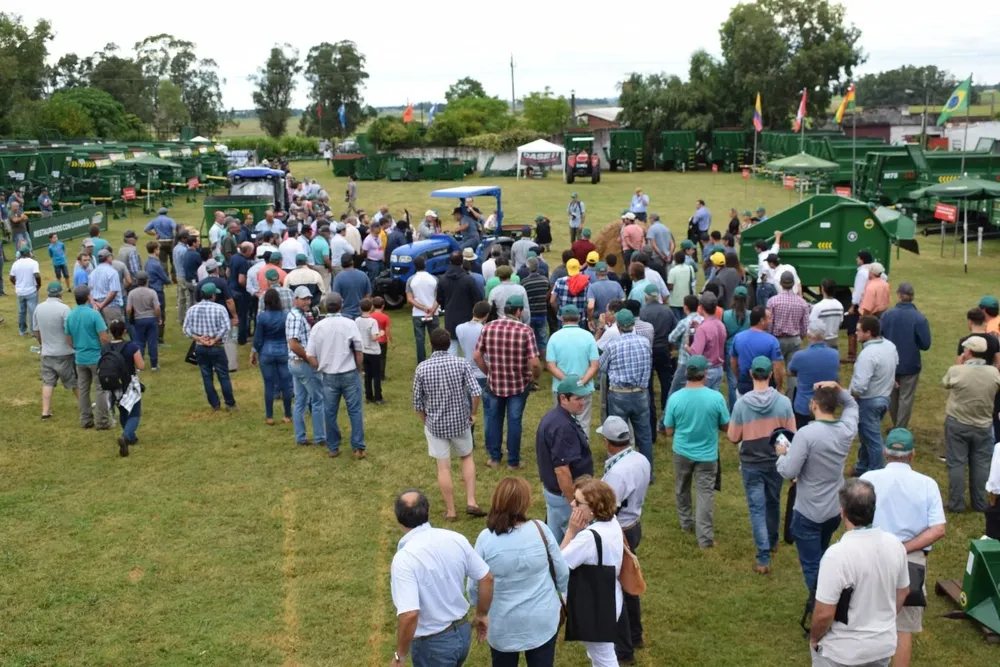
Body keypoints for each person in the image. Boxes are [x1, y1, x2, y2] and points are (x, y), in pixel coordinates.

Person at [860, 428, 946, 667]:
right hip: (911, 563)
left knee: (864, 620)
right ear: (913, 454)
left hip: (870, 557)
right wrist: (904, 547)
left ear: (886, 452)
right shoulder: (928, 484)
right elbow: (938, 529)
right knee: (903, 628)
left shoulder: (868, 479)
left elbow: (853, 518)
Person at [809, 479, 909, 667]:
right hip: (882, 647)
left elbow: (824, 614)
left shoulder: (836, 555)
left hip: (842, 652)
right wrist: (882, 622)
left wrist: (814, 638)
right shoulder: (895, 545)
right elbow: (903, 593)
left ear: (842, 512)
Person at [776, 382, 859, 608]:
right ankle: (827, 597)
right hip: (834, 509)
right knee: (822, 557)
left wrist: (783, 455)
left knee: (812, 565)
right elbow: (852, 405)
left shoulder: (807, 434)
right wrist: (838, 387)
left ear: (814, 404)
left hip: (808, 511)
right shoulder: (846, 429)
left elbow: (789, 471)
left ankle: (824, 608)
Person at [470, 477, 568, 667]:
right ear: (526, 502)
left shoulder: (485, 539)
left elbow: (475, 585)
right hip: (542, 620)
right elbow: (562, 572)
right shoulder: (541, 529)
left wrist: (481, 611)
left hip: (502, 624)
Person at [389, 490, 494, 667]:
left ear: (399, 518)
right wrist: (482, 614)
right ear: (426, 510)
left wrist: (400, 656)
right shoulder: (455, 539)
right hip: (462, 633)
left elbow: (409, 614)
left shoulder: (404, 558)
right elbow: (487, 577)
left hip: (433, 645)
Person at [727, 357, 796, 573]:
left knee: (757, 508)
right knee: (773, 502)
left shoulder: (741, 404)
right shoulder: (783, 402)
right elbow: (790, 435)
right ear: (770, 375)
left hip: (751, 463)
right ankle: (773, 540)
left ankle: (763, 557)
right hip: (775, 461)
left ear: (750, 374)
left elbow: (733, 436)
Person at [413, 328, 486, 520]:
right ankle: (471, 501)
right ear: (449, 344)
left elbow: (417, 402)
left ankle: (451, 511)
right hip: (460, 421)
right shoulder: (461, 363)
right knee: (467, 457)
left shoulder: (422, 368)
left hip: (435, 424)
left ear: (431, 345)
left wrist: (425, 420)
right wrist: (473, 413)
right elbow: (476, 391)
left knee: (443, 466)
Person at [599, 416, 651, 663]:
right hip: (634, 525)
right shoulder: (640, 458)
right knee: (629, 584)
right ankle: (636, 635)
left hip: (619, 532)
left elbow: (608, 509)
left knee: (616, 593)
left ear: (609, 442)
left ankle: (624, 651)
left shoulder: (617, 473)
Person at [664, 354, 730, 549]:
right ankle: (705, 539)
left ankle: (686, 523)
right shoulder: (716, 398)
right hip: (708, 455)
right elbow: (726, 426)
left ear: (686, 374)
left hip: (682, 452)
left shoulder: (675, 398)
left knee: (681, 488)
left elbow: (668, 430)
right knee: (705, 495)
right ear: (705, 374)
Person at [560, 478, 625, 667]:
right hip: (611, 596)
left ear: (593, 508)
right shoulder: (612, 522)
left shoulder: (588, 538)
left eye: (578, 502)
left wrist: (571, 532)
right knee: (601, 655)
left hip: (593, 605)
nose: (572, 504)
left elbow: (558, 565)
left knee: (604, 658)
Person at [475, 296, 541, 469]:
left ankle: (495, 458)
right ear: (519, 311)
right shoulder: (525, 330)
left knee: (494, 419)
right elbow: (534, 362)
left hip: (495, 383)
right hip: (518, 384)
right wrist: (534, 376)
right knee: (514, 422)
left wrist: (488, 372)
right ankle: (513, 461)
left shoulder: (488, 327)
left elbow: (477, 356)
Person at [942, 336, 1000, 513]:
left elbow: (945, 383)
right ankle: (979, 503)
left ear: (968, 351)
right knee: (981, 463)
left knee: (957, 463)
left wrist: (959, 365)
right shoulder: (993, 373)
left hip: (957, 422)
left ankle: (956, 503)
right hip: (983, 424)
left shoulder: (957, 371)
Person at [306, 293, 367, 459]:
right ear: (341, 305)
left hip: (329, 375)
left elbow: (310, 354)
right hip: (349, 371)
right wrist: (358, 369)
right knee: (355, 411)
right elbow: (359, 350)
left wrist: (319, 367)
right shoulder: (349, 323)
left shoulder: (318, 327)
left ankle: (333, 447)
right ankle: (358, 448)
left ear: (325, 306)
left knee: (330, 412)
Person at [601, 309, 654, 477]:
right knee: (644, 435)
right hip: (640, 393)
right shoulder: (645, 342)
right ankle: (647, 473)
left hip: (618, 395)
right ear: (633, 324)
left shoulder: (612, 345)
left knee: (617, 435)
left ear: (618, 325)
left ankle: (619, 472)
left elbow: (602, 367)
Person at [850, 316, 898, 476]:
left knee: (872, 439)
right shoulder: (890, 346)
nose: (855, 333)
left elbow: (859, 386)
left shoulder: (867, 355)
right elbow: (894, 366)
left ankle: (876, 472)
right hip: (884, 398)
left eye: (858, 331)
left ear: (868, 333)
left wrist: (850, 398)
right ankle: (862, 466)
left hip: (869, 401)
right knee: (866, 435)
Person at [879, 282, 931, 430]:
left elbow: (879, 336)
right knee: (905, 398)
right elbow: (925, 344)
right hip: (910, 364)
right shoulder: (919, 318)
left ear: (899, 296)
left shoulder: (887, 315)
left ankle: (897, 426)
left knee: (892, 396)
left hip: (889, 363)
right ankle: (900, 428)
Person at [546, 306, 600, 437]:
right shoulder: (588, 337)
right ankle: (583, 452)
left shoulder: (554, 337)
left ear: (562, 318)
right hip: (584, 388)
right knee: (583, 423)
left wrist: (567, 382)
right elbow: (594, 365)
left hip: (561, 389)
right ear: (579, 318)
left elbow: (550, 365)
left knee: (561, 421)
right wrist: (581, 382)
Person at [184, 283, 238, 412]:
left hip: (200, 347)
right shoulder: (220, 308)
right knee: (223, 375)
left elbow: (186, 329)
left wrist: (199, 338)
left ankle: (214, 404)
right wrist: (214, 339)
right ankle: (230, 403)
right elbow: (225, 327)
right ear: (213, 295)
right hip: (217, 347)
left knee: (206, 375)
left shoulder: (192, 309)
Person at [65, 285, 112, 429]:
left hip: (80, 358)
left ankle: (86, 420)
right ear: (88, 298)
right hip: (95, 357)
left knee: (84, 389)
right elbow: (104, 337)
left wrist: (79, 347)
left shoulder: (71, 315)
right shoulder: (94, 314)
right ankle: (102, 421)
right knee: (100, 389)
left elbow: (68, 340)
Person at [286, 286, 326, 447]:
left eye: (308, 298)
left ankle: (301, 437)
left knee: (301, 401)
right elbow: (293, 343)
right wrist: (309, 359)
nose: (307, 301)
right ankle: (320, 437)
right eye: (303, 299)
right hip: (302, 363)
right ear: (295, 299)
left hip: (295, 363)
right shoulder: (296, 316)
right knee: (317, 399)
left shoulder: (299, 314)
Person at [33, 282, 78, 419]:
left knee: (48, 382)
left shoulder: (38, 308)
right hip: (64, 352)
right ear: (60, 293)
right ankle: (85, 405)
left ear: (47, 293)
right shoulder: (64, 309)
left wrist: (42, 344)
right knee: (74, 381)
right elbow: (70, 331)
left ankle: (45, 411)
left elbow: (36, 331)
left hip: (47, 352)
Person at [251, 288, 292, 424]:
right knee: (286, 383)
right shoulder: (286, 315)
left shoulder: (262, 317)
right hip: (283, 351)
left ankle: (269, 416)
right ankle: (287, 415)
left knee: (268, 384)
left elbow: (258, 339)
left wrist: (254, 353)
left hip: (266, 352)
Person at [767, 271, 810, 398]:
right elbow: (805, 326)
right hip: (794, 339)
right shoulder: (802, 302)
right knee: (793, 372)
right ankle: (791, 399)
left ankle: (774, 395)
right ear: (793, 284)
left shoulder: (773, 301)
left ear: (781, 283)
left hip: (776, 339)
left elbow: (769, 323)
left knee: (775, 369)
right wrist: (800, 337)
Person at [105, 319, 144, 456]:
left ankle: (131, 437)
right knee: (135, 412)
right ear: (124, 331)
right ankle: (126, 436)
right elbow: (141, 366)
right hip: (128, 384)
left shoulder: (105, 347)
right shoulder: (131, 347)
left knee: (122, 411)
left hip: (112, 384)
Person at [439, 252, 483, 353]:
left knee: (452, 347)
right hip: (466, 317)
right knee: (469, 349)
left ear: (450, 262)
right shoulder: (468, 279)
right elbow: (477, 298)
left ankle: (451, 368)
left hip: (450, 317)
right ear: (462, 262)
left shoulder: (443, 279)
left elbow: (439, 299)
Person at [846, 250, 882, 362]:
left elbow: (858, 291)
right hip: (876, 305)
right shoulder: (879, 272)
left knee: (853, 328)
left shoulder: (862, 273)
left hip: (863, 304)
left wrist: (853, 306)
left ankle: (852, 355)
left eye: (857, 258)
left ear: (862, 260)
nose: (856, 260)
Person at [689, 292, 727, 392]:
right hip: (718, 369)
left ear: (701, 307)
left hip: (707, 372)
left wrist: (687, 347)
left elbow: (695, 354)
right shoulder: (720, 324)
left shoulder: (703, 329)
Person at [721, 286, 751, 409]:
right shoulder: (751, 315)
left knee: (732, 381)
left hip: (730, 350)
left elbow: (724, 335)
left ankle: (734, 409)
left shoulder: (726, 315)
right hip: (746, 350)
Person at [126, 272, 161, 371]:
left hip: (138, 319)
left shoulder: (132, 293)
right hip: (151, 319)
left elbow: (128, 309)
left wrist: (131, 317)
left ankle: (139, 365)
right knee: (152, 342)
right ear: (147, 280)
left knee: (139, 342)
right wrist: (158, 318)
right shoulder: (152, 292)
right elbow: (157, 308)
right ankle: (154, 365)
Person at [357, 298, 385, 404]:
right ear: (371, 308)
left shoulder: (357, 320)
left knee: (367, 374)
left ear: (360, 308)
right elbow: (374, 337)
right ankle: (378, 397)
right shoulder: (373, 322)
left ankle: (368, 396)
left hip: (363, 350)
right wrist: (381, 333)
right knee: (376, 375)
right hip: (373, 351)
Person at [521, 258, 551, 357]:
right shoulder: (545, 280)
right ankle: (546, 361)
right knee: (542, 340)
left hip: (530, 314)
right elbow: (548, 293)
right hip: (542, 313)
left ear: (528, 268)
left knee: (530, 340)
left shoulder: (524, 282)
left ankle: (534, 360)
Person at [9, 246, 41, 336]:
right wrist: (39, 285)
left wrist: (17, 284)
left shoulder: (15, 264)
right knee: (32, 311)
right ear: (28, 253)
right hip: (31, 290)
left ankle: (22, 330)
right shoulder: (33, 263)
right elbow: (37, 275)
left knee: (21, 311)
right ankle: (33, 331)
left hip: (20, 291)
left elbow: (11, 277)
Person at [587, 262, 626, 331]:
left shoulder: (592, 287)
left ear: (596, 274)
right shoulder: (616, 284)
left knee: (599, 340)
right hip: (613, 321)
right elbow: (623, 301)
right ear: (607, 272)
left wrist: (590, 320)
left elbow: (590, 306)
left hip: (599, 321)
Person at [229, 242, 254, 345]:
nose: (252, 253)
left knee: (233, 315)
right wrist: (247, 288)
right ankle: (242, 339)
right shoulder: (243, 262)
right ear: (247, 250)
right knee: (242, 316)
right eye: (251, 250)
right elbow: (241, 280)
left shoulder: (234, 257)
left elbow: (227, 272)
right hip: (240, 292)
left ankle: (232, 336)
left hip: (231, 288)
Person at [144, 241, 170, 344]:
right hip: (158, 291)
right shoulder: (156, 264)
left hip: (150, 289)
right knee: (160, 314)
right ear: (155, 250)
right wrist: (168, 281)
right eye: (158, 249)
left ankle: (152, 335)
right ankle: (159, 338)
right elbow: (165, 278)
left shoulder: (147, 262)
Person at [332, 254, 372, 319]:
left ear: (341, 264)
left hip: (345, 315)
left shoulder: (338, 278)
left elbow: (336, 298)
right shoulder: (363, 275)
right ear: (352, 262)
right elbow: (368, 296)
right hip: (361, 314)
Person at [550, 259, 590, 324]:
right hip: (579, 318)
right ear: (578, 268)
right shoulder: (586, 282)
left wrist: (559, 312)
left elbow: (552, 301)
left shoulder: (559, 281)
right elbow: (589, 302)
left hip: (563, 318)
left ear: (567, 268)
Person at [810, 279, 845, 349]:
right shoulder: (839, 305)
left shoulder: (818, 306)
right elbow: (840, 322)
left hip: (820, 341)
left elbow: (811, 325)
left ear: (822, 289)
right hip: (834, 339)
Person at [666, 251, 696, 320]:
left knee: (677, 322)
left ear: (675, 260)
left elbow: (670, 286)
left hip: (675, 301)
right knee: (686, 321)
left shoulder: (673, 271)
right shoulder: (690, 268)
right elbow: (693, 282)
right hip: (687, 299)